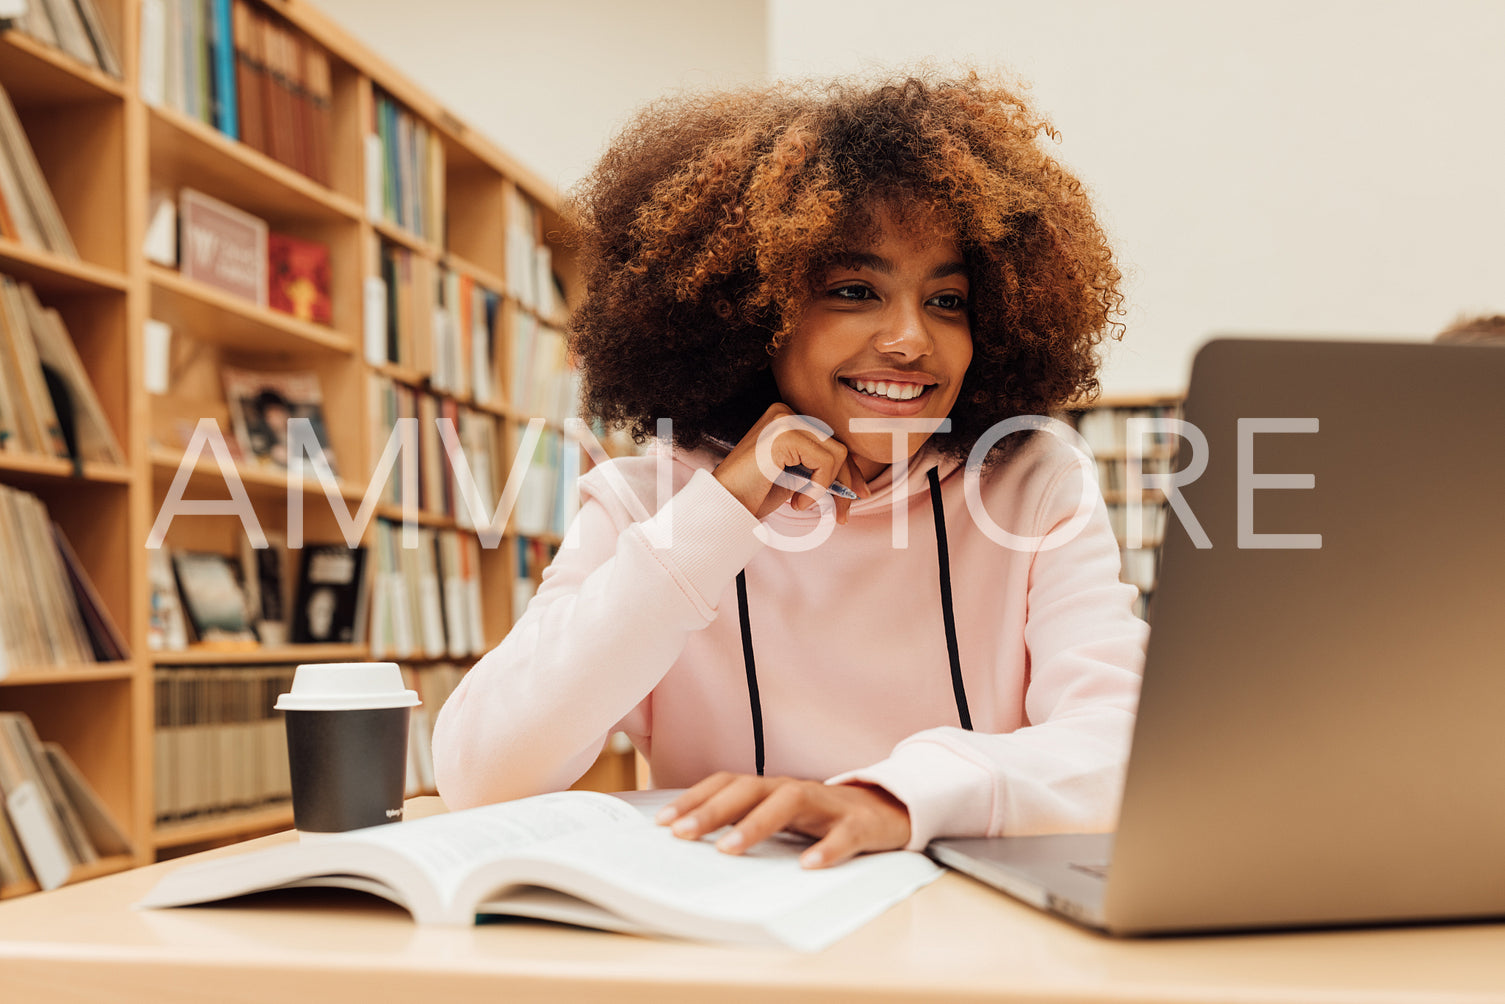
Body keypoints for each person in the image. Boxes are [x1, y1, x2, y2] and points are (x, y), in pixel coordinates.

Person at [432, 71, 1148, 869]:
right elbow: (482, 775)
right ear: (752, 312)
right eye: (853, 290)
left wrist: (888, 800)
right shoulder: (647, 502)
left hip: (974, 933)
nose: (911, 338)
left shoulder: (1033, 481)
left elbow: (1124, 747)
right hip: (736, 932)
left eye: (946, 301)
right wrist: (721, 513)